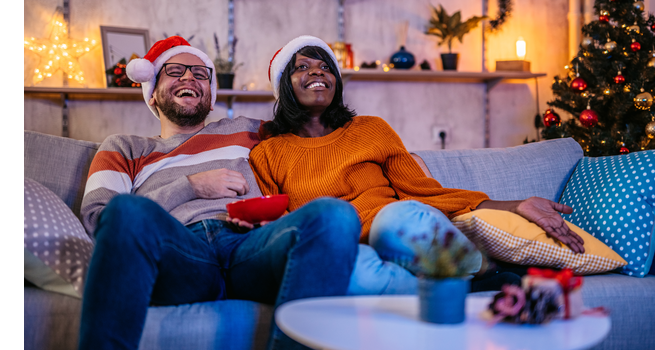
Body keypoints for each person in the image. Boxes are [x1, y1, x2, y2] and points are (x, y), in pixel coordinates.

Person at [78, 36, 361, 350]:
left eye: (201, 74)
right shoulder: (125, 147)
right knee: (125, 210)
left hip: (253, 248)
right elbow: (99, 217)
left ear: (211, 96)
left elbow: (312, 129)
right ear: (153, 93)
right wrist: (191, 185)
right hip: (181, 254)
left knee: (335, 216)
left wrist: (277, 214)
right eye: (175, 71)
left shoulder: (252, 130)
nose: (189, 77)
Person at [249, 35, 586, 295]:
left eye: (325, 67)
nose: (316, 72)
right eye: (302, 67)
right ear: (285, 87)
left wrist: (516, 205)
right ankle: (470, 286)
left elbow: (421, 191)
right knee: (358, 277)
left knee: (403, 214)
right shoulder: (269, 153)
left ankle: (480, 268)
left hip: (395, 230)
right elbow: (280, 226)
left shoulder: (371, 129)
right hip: (345, 247)